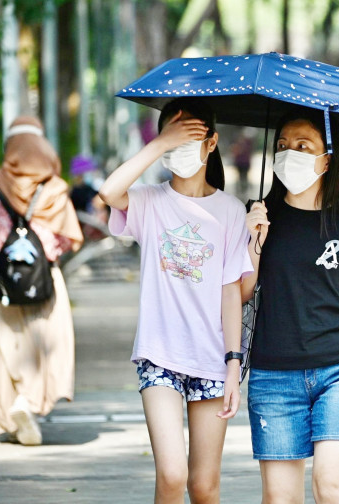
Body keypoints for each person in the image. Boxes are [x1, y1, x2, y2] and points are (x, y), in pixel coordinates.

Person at [242, 107, 339, 503]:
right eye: (282, 146)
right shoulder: (259, 215)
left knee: (331, 486)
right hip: (274, 377)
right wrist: (253, 242)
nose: (289, 153)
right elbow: (241, 293)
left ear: (326, 159)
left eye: (302, 145)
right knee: (281, 498)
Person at [98, 97, 252, 504]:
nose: (179, 148)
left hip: (212, 359)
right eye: (173, 138)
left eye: (191, 137)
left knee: (203, 486)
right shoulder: (149, 201)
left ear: (212, 142)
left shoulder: (231, 211)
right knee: (171, 474)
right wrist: (159, 144)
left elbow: (231, 292)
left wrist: (234, 365)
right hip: (159, 354)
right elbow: (109, 191)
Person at [0, 116, 84, 446]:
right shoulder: (55, 188)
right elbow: (71, 238)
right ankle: (26, 403)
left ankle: (13, 417)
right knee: (47, 341)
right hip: (43, 277)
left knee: (4, 345)